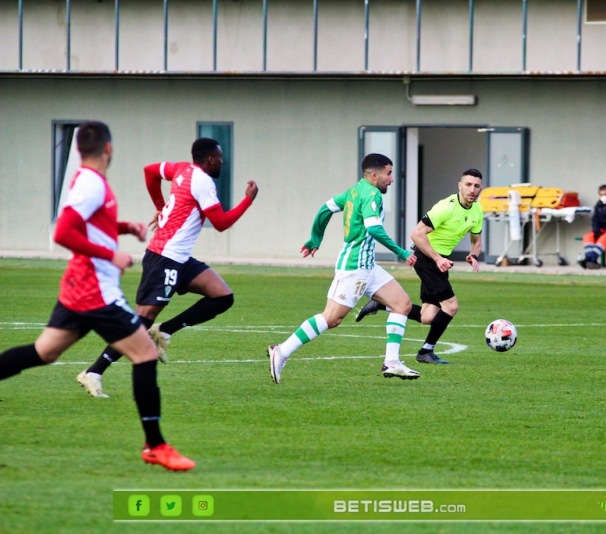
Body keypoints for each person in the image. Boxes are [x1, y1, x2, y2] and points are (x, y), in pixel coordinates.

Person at [0, 121, 194, 471]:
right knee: (146, 354)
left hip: (77, 288)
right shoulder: (91, 183)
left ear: (78, 150)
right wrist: (112, 255)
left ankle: (156, 445)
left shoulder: (86, 181)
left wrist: (124, 227)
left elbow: (88, 225)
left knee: (44, 352)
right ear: (109, 148)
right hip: (95, 291)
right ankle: (156, 446)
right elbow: (64, 231)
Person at [76, 138, 259, 398]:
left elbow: (150, 171)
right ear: (210, 159)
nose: (222, 161)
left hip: (180, 259)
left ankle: (163, 331)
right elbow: (220, 222)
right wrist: (247, 200)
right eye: (219, 157)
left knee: (222, 296)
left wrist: (161, 206)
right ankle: (93, 372)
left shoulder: (181, 169)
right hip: (164, 258)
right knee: (140, 322)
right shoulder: (203, 181)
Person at [268, 153, 419, 383]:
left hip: (368, 266)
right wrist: (402, 252)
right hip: (355, 267)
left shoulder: (354, 190)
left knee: (402, 304)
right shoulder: (372, 194)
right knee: (331, 319)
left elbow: (326, 208)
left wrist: (315, 238)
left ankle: (392, 362)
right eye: (389, 173)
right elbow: (374, 229)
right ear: (375, 175)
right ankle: (281, 351)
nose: (391, 179)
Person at [355, 169, 485, 364]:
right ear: (459, 185)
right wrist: (437, 258)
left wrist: (473, 256)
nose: (472, 189)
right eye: (468, 185)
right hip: (426, 257)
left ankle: (380, 305)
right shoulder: (445, 208)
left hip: (441, 260)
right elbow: (416, 233)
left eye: (476, 186)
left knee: (427, 316)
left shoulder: (477, 211)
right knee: (451, 306)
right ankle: (426, 351)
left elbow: (476, 241)